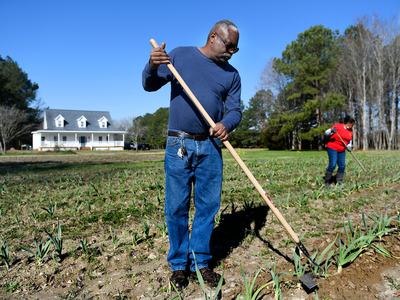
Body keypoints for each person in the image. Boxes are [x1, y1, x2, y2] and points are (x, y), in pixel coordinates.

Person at [142, 20, 242, 290]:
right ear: (213, 37)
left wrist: (226, 124)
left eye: (236, 48)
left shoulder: (231, 75)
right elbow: (149, 85)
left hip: (210, 146)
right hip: (179, 144)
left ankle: (201, 262)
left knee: (208, 206)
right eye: (230, 45)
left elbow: (235, 111)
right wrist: (152, 65)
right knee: (176, 206)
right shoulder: (180, 56)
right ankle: (178, 265)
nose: (233, 51)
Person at [323, 115, 355, 186]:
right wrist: (332, 131)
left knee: (342, 166)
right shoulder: (338, 126)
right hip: (332, 147)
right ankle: (327, 181)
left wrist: (349, 146)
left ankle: (339, 181)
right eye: (350, 123)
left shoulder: (350, 131)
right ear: (346, 122)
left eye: (352, 124)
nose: (351, 125)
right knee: (333, 164)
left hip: (341, 149)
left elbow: (349, 140)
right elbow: (326, 133)